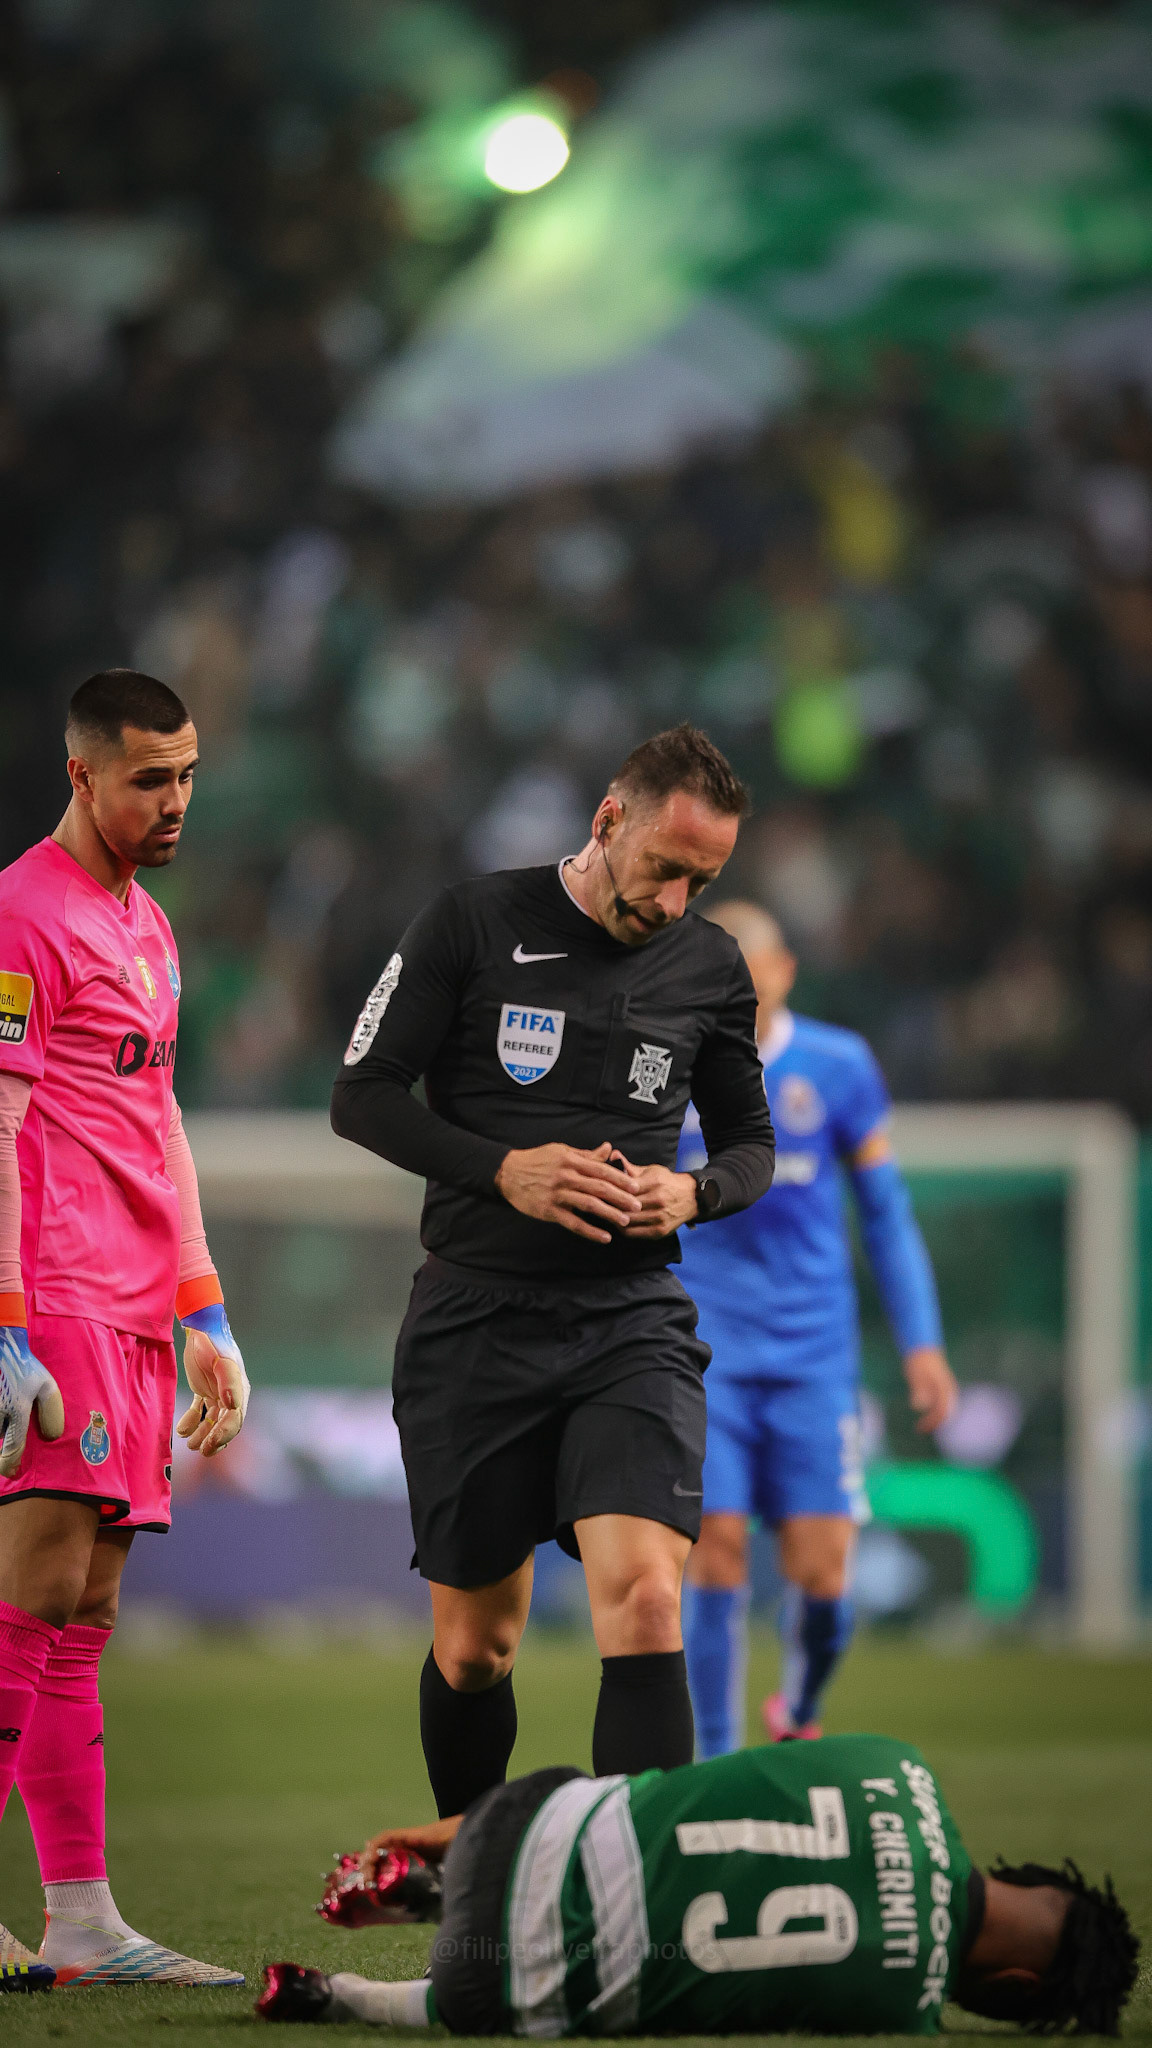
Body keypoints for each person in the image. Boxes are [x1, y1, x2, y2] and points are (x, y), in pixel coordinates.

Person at [330, 726, 775, 1817]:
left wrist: (694, 1193)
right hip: (474, 1320)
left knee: (647, 1603)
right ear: (608, 819)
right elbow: (363, 1094)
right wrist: (502, 1170)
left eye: (703, 880)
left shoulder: (712, 967)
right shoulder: (470, 922)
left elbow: (751, 1144)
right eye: (665, 867)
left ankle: (639, 1892)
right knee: (477, 1647)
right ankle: (475, 1876)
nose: (676, 901)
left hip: (631, 1321)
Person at [0, 670, 249, 1991]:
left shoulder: (148, 927)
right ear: (82, 773)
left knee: (84, 1609)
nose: (176, 800)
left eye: (188, 774)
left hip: (139, 1307)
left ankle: (83, 1918)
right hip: (55, 1295)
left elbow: (158, 1119)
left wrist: (204, 1306)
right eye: (151, 777)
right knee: (28, 1595)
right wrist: (5, 1326)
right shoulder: (22, 914)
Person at [255, 1733, 1139, 2036]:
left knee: (637, 1811)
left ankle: (431, 1879)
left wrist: (466, 1825)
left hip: (516, 1819)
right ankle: (338, 1998)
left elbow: (700, 1795)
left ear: (1018, 1874)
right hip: (482, 1982)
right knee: (557, 1978)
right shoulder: (901, 2012)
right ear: (1015, 1988)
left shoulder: (898, 1764)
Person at [677, 904, 956, 1754]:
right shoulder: (666, 1065)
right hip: (702, 1353)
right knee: (716, 1548)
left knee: (825, 1571)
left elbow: (886, 1213)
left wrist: (922, 1344)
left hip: (813, 1358)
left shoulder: (838, 1067)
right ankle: (715, 1761)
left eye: (749, 969)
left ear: (784, 971)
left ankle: (797, 1711)